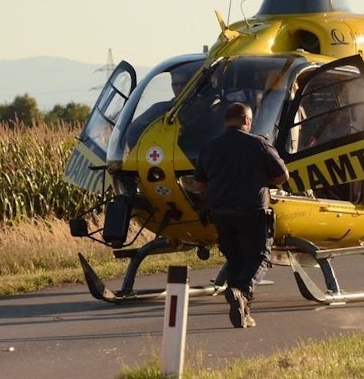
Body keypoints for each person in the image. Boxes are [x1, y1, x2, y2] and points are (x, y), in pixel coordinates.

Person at [193, 102, 289, 328]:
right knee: (260, 257)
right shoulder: (259, 145)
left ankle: (243, 312)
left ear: (226, 121)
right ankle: (242, 293)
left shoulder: (209, 147)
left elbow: (198, 185)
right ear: (247, 121)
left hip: (220, 213)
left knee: (236, 259)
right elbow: (282, 175)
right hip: (251, 211)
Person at [124, 64, 195, 148]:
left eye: (183, 84)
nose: (179, 88)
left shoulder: (206, 108)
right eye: (175, 85)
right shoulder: (161, 109)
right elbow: (133, 131)